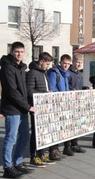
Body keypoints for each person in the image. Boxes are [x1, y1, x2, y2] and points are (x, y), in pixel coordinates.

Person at [0, 41, 35, 178]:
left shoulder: (21, 67)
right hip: (12, 108)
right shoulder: (7, 67)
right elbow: (12, 91)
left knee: (24, 136)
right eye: (16, 51)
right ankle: (8, 167)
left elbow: (24, 90)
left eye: (21, 51)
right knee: (11, 138)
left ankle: (18, 162)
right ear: (11, 52)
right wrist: (27, 106)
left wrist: (28, 104)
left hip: (22, 108)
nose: (19, 54)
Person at [27, 52, 56, 168]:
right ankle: (34, 157)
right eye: (47, 64)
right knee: (36, 132)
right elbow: (29, 91)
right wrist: (44, 94)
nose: (48, 66)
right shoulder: (32, 73)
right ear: (41, 61)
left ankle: (41, 154)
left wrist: (48, 93)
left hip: (44, 107)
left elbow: (45, 87)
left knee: (43, 132)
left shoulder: (44, 73)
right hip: (36, 107)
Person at [47, 54, 73, 156]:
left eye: (68, 64)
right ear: (60, 63)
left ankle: (60, 148)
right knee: (55, 128)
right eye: (64, 63)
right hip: (56, 105)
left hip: (64, 105)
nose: (66, 65)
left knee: (62, 127)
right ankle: (53, 150)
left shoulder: (66, 74)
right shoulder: (55, 73)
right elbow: (52, 88)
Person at [65, 56, 86, 153]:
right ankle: (67, 146)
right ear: (73, 62)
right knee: (69, 125)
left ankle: (75, 144)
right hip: (69, 102)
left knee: (77, 124)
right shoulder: (68, 73)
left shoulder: (80, 74)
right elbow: (66, 87)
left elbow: (80, 87)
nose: (79, 64)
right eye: (77, 62)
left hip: (78, 103)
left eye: (81, 62)